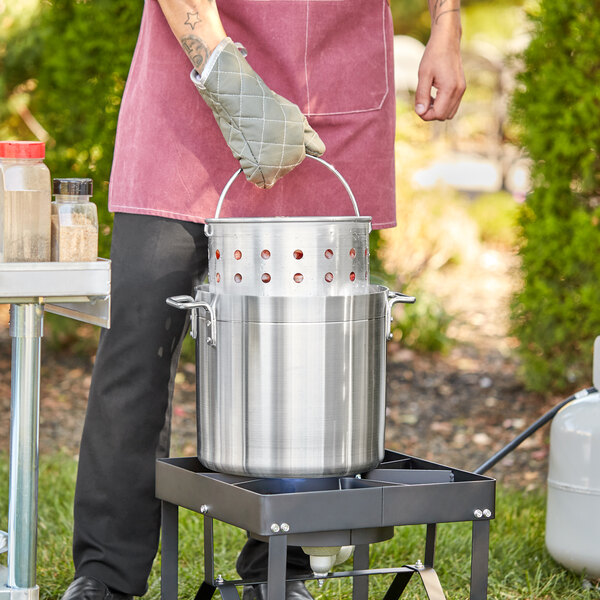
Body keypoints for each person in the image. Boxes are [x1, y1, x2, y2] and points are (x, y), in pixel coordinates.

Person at [60, 1, 465, 600]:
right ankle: (106, 573)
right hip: (188, 90)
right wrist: (229, 78)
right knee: (137, 339)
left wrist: (446, 24)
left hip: (329, 91)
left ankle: (281, 568)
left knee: (308, 352)